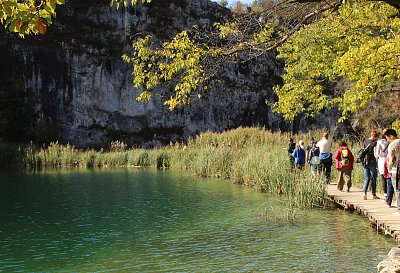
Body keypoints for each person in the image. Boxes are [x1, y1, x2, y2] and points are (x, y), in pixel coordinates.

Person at [384, 129, 400, 215]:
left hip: (396, 170)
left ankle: (399, 208)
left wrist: (389, 169)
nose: (387, 140)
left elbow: (391, 159)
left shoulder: (392, 144)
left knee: (397, 189)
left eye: (387, 138)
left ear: (391, 136)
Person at [362, 130, 380, 200]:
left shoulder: (366, 141)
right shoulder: (375, 143)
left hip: (364, 161)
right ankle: (373, 194)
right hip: (372, 162)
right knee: (373, 178)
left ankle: (364, 193)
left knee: (366, 178)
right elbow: (376, 154)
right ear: (376, 136)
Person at [375, 128, 390, 199]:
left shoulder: (380, 141)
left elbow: (377, 153)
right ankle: (391, 194)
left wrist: (376, 157)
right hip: (389, 160)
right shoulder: (390, 141)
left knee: (383, 177)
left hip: (381, 160)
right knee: (389, 177)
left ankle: (385, 194)